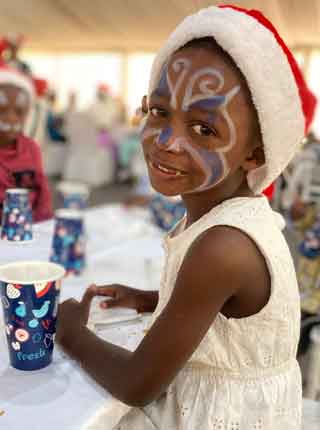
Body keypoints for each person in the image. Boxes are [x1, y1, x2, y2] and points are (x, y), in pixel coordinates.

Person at [56, 5, 313, 429]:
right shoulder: (228, 216)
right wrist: (152, 299)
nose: (168, 141)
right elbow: (227, 315)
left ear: (255, 153)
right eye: (159, 112)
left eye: (204, 129)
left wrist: (71, 334)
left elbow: (139, 384)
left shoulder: (223, 245)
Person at [0, 63, 53, 222]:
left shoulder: (31, 148)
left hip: (28, 231)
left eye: (19, 111)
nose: (11, 118)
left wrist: (43, 224)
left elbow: (42, 192)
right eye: (1, 109)